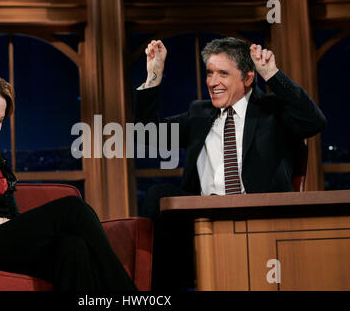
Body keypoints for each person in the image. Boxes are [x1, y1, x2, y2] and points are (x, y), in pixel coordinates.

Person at [0, 68, 136, 292]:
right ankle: (127, 293)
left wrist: (16, 226)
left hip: (1, 244)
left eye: (1, 120)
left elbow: (12, 214)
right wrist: (7, 224)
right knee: (72, 208)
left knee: (73, 246)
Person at [134, 37, 327, 290]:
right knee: (158, 195)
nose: (213, 82)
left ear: (247, 78)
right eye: (210, 73)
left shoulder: (272, 111)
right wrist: (154, 74)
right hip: (202, 218)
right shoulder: (199, 114)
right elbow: (145, 134)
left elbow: (314, 122)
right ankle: (162, 290)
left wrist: (272, 75)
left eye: (223, 73)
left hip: (260, 218)